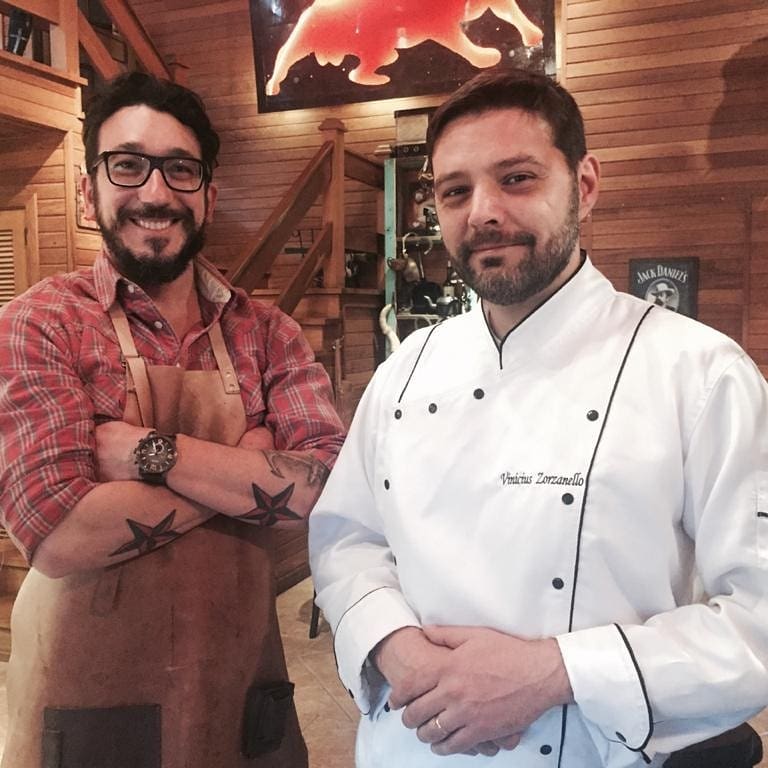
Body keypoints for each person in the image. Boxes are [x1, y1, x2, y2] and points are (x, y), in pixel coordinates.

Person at [308, 67, 768, 768]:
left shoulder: (699, 373)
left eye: (516, 178)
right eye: (456, 191)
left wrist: (554, 672)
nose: (483, 212)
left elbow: (758, 620)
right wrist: (390, 644)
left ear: (584, 185)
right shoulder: (403, 372)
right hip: (412, 746)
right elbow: (347, 543)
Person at [0, 71, 345, 768]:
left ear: (209, 195)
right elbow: (57, 531)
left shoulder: (267, 331)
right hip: (86, 708)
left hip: (245, 698)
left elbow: (321, 487)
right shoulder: (40, 321)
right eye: (127, 165)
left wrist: (145, 452)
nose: (155, 194)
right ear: (85, 189)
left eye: (180, 171)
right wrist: (244, 464)